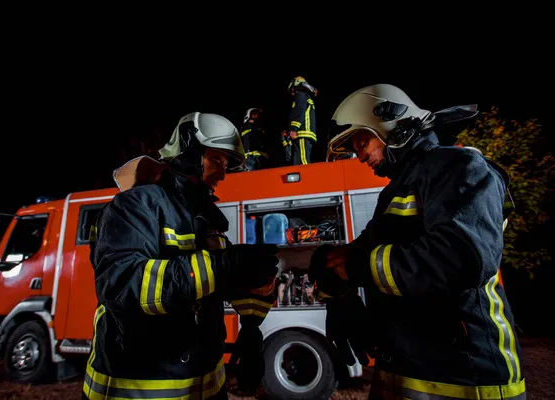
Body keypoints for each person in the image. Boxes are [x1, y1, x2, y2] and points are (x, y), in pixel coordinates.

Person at [311, 84, 525, 399]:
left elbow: (462, 258)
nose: (359, 156)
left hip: (466, 377)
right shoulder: (397, 190)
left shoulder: (458, 167)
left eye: (362, 142)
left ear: (391, 125)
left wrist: (355, 267)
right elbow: (360, 253)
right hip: (405, 372)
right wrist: (335, 286)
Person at [82, 112, 279, 400]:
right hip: (138, 388)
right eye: (217, 160)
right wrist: (225, 265)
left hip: (206, 386)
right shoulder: (135, 206)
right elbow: (123, 284)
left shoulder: (206, 219)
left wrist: (251, 323)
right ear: (189, 151)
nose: (223, 173)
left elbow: (218, 281)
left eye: (227, 163)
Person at [283, 76, 318, 165]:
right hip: (303, 134)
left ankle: (309, 178)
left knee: (303, 162)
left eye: (292, 90)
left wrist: (293, 129)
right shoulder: (306, 97)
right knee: (298, 163)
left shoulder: (301, 95)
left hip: (302, 133)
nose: (292, 94)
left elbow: (299, 112)